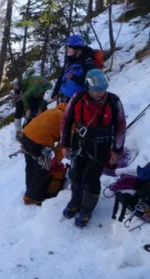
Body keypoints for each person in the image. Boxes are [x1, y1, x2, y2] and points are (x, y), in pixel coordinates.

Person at [61, 69, 126, 227]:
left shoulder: (113, 101)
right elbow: (66, 121)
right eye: (96, 90)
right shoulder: (77, 99)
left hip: (100, 146)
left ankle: (87, 209)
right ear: (88, 87)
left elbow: (120, 126)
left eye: (102, 90)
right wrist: (65, 145)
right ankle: (75, 201)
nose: (99, 94)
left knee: (90, 178)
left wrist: (117, 150)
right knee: (75, 174)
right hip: (79, 142)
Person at [21, 100, 68, 205]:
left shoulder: (54, 111)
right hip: (40, 143)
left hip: (26, 136)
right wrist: (58, 161)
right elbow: (63, 144)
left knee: (30, 165)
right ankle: (33, 197)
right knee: (43, 169)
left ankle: (30, 190)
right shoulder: (67, 120)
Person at [52, 35, 96, 102]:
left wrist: (74, 77)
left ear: (77, 49)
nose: (67, 50)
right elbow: (61, 76)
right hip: (63, 97)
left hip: (77, 100)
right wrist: (55, 91)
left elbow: (91, 83)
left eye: (69, 48)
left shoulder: (88, 62)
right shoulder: (70, 60)